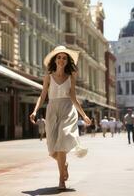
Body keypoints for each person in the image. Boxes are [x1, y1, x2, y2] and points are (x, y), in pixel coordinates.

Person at [29, 45, 91, 190]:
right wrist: (35, 111)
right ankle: (64, 165)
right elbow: (43, 95)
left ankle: (61, 181)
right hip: (52, 111)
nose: (61, 60)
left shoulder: (71, 77)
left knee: (63, 139)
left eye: (64, 58)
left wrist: (84, 115)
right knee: (52, 150)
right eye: (59, 57)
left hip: (67, 110)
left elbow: (74, 98)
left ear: (67, 61)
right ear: (54, 60)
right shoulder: (48, 77)